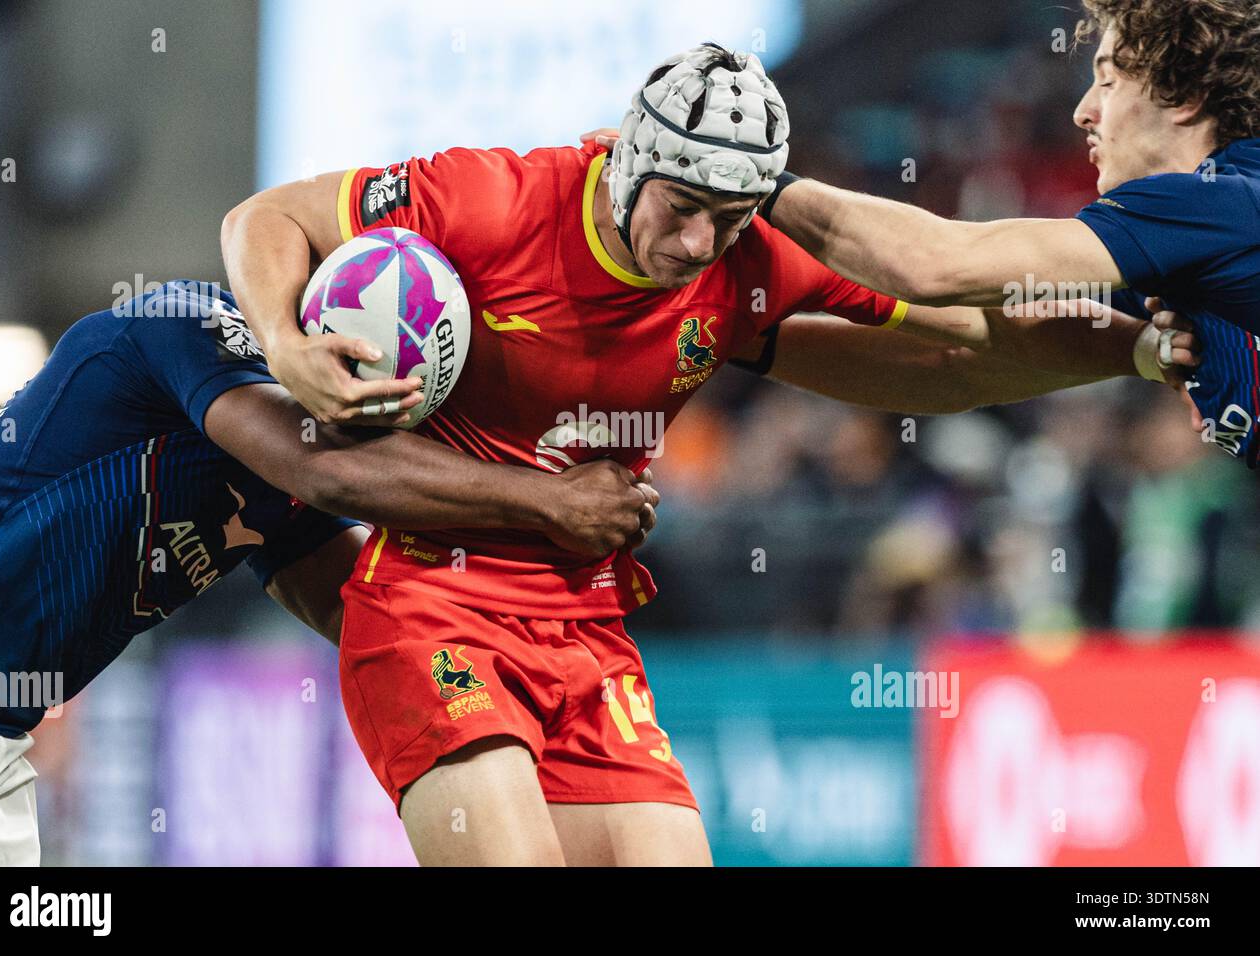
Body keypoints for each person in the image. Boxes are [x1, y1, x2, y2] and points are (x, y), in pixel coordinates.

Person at [221, 43, 1192, 866]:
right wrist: (289, 345)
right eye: (680, 207)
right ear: (628, 161)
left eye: (724, 219)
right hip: (431, 606)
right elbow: (265, 218)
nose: (695, 243)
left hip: (587, 632)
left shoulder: (743, 256)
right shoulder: (495, 197)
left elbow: (967, 331)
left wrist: (1151, 348)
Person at [0, 280, 659, 866]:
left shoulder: (281, 477)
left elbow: (371, 615)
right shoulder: (178, 322)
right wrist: (550, 502)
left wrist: (537, 681)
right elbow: (326, 470)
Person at [759, 0, 1258, 462]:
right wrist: (740, 339)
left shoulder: (1219, 203)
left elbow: (934, 266)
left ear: (1186, 97)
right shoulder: (1186, 259)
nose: (1083, 111)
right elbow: (953, 363)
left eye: (1109, 82)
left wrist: (749, 176)